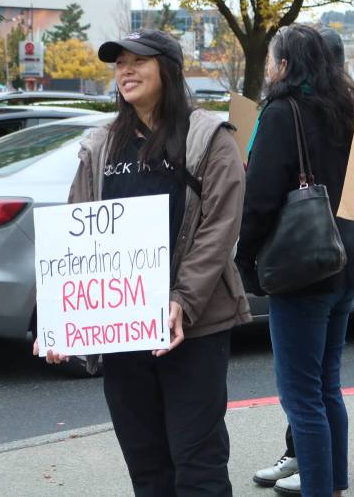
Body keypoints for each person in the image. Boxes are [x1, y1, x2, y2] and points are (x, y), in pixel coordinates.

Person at [37, 29, 250, 496]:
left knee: (198, 464)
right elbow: (79, 230)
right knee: (147, 465)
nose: (126, 71)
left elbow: (220, 228)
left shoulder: (208, 137)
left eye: (138, 61)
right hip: (125, 331)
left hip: (193, 328)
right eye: (119, 64)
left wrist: (182, 301)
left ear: (168, 71)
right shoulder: (101, 145)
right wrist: (63, 321)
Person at [235, 24, 354, 497]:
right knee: (327, 385)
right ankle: (332, 483)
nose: (269, 67)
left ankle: (318, 487)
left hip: (302, 268)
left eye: (272, 59)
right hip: (345, 261)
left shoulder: (281, 112)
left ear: (285, 65)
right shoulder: (344, 111)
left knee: (301, 395)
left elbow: (261, 199)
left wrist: (245, 259)